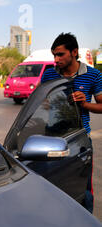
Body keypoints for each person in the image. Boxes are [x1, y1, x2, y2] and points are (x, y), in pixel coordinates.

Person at [41, 32, 102, 213]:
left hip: (80, 141)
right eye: (54, 55)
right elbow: (41, 103)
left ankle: (86, 224)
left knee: (82, 189)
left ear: (74, 52)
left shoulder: (93, 75)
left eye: (60, 54)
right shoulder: (49, 75)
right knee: (53, 187)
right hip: (53, 138)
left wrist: (84, 104)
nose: (56, 59)